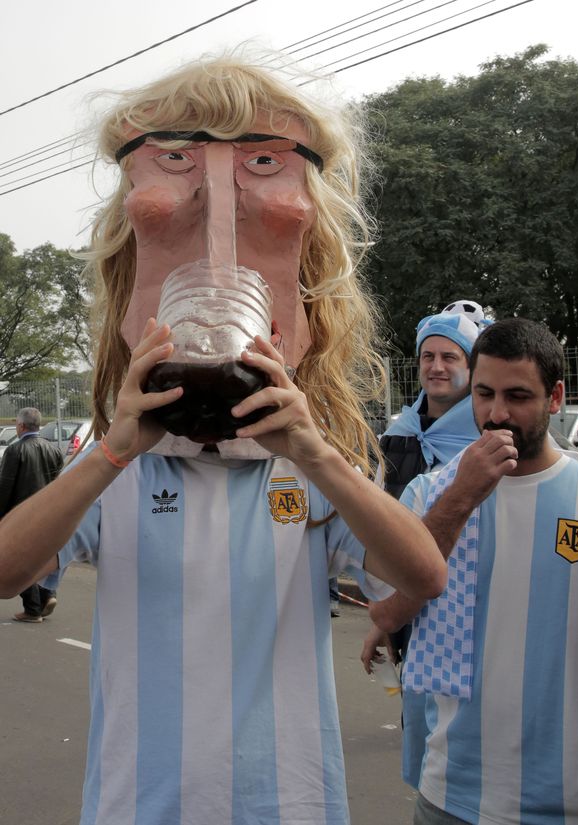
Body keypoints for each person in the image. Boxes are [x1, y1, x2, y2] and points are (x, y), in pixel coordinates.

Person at [0, 55, 446, 825]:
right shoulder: (119, 466)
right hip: (138, 805)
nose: (218, 252)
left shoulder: (314, 460)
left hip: (291, 805)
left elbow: (423, 574)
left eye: (262, 165)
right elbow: (8, 572)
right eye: (173, 164)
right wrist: (114, 449)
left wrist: (313, 451)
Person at [379, 317, 578, 824]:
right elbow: (388, 611)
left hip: (574, 803)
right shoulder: (428, 492)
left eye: (518, 396)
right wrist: (461, 496)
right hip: (452, 796)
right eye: (484, 393)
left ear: (555, 398)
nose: (497, 413)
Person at [361, 304, 482, 672]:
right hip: (405, 609)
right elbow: (379, 525)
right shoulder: (399, 435)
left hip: (469, 607)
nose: (436, 366)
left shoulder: (487, 438)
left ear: (471, 368)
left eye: (450, 357)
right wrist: (384, 620)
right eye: (428, 356)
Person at [0, 407, 63, 623]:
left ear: (20, 426)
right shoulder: (53, 449)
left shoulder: (14, 451)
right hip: (49, 515)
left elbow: (5, 487)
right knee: (42, 559)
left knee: (20, 562)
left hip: (22, 516)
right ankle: (48, 596)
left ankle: (33, 609)